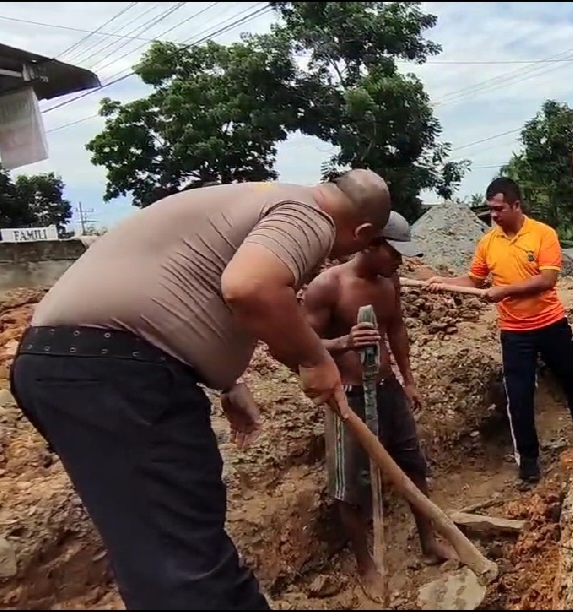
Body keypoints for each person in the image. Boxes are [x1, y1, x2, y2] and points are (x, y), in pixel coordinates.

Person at [9, 170, 391, 610]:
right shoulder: (310, 216)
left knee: (157, 550)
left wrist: (229, 380)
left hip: (66, 365)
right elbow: (251, 287)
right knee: (184, 563)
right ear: (362, 232)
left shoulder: (254, 198)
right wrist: (314, 359)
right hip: (115, 371)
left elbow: (188, 284)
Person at [302, 211, 456, 602]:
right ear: (370, 244)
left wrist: (408, 378)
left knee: (413, 466)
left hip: (387, 390)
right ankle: (366, 565)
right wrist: (343, 344)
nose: (400, 261)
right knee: (349, 485)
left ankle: (428, 542)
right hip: (346, 399)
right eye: (394, 252)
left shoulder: (390, 280)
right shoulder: (328, 286)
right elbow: (298, 346)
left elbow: (397, 327)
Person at [426, 177, 573, 485]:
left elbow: (546, 280)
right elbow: (473, 282)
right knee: (518, 396)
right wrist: (443, 283)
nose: (494, 216)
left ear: (516, 205)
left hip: (551, 324)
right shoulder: (488, 242)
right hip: (514, 333)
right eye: (490, 211)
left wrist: (504, 291)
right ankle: (528, 462)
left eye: (499, 209)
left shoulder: (543, 234)